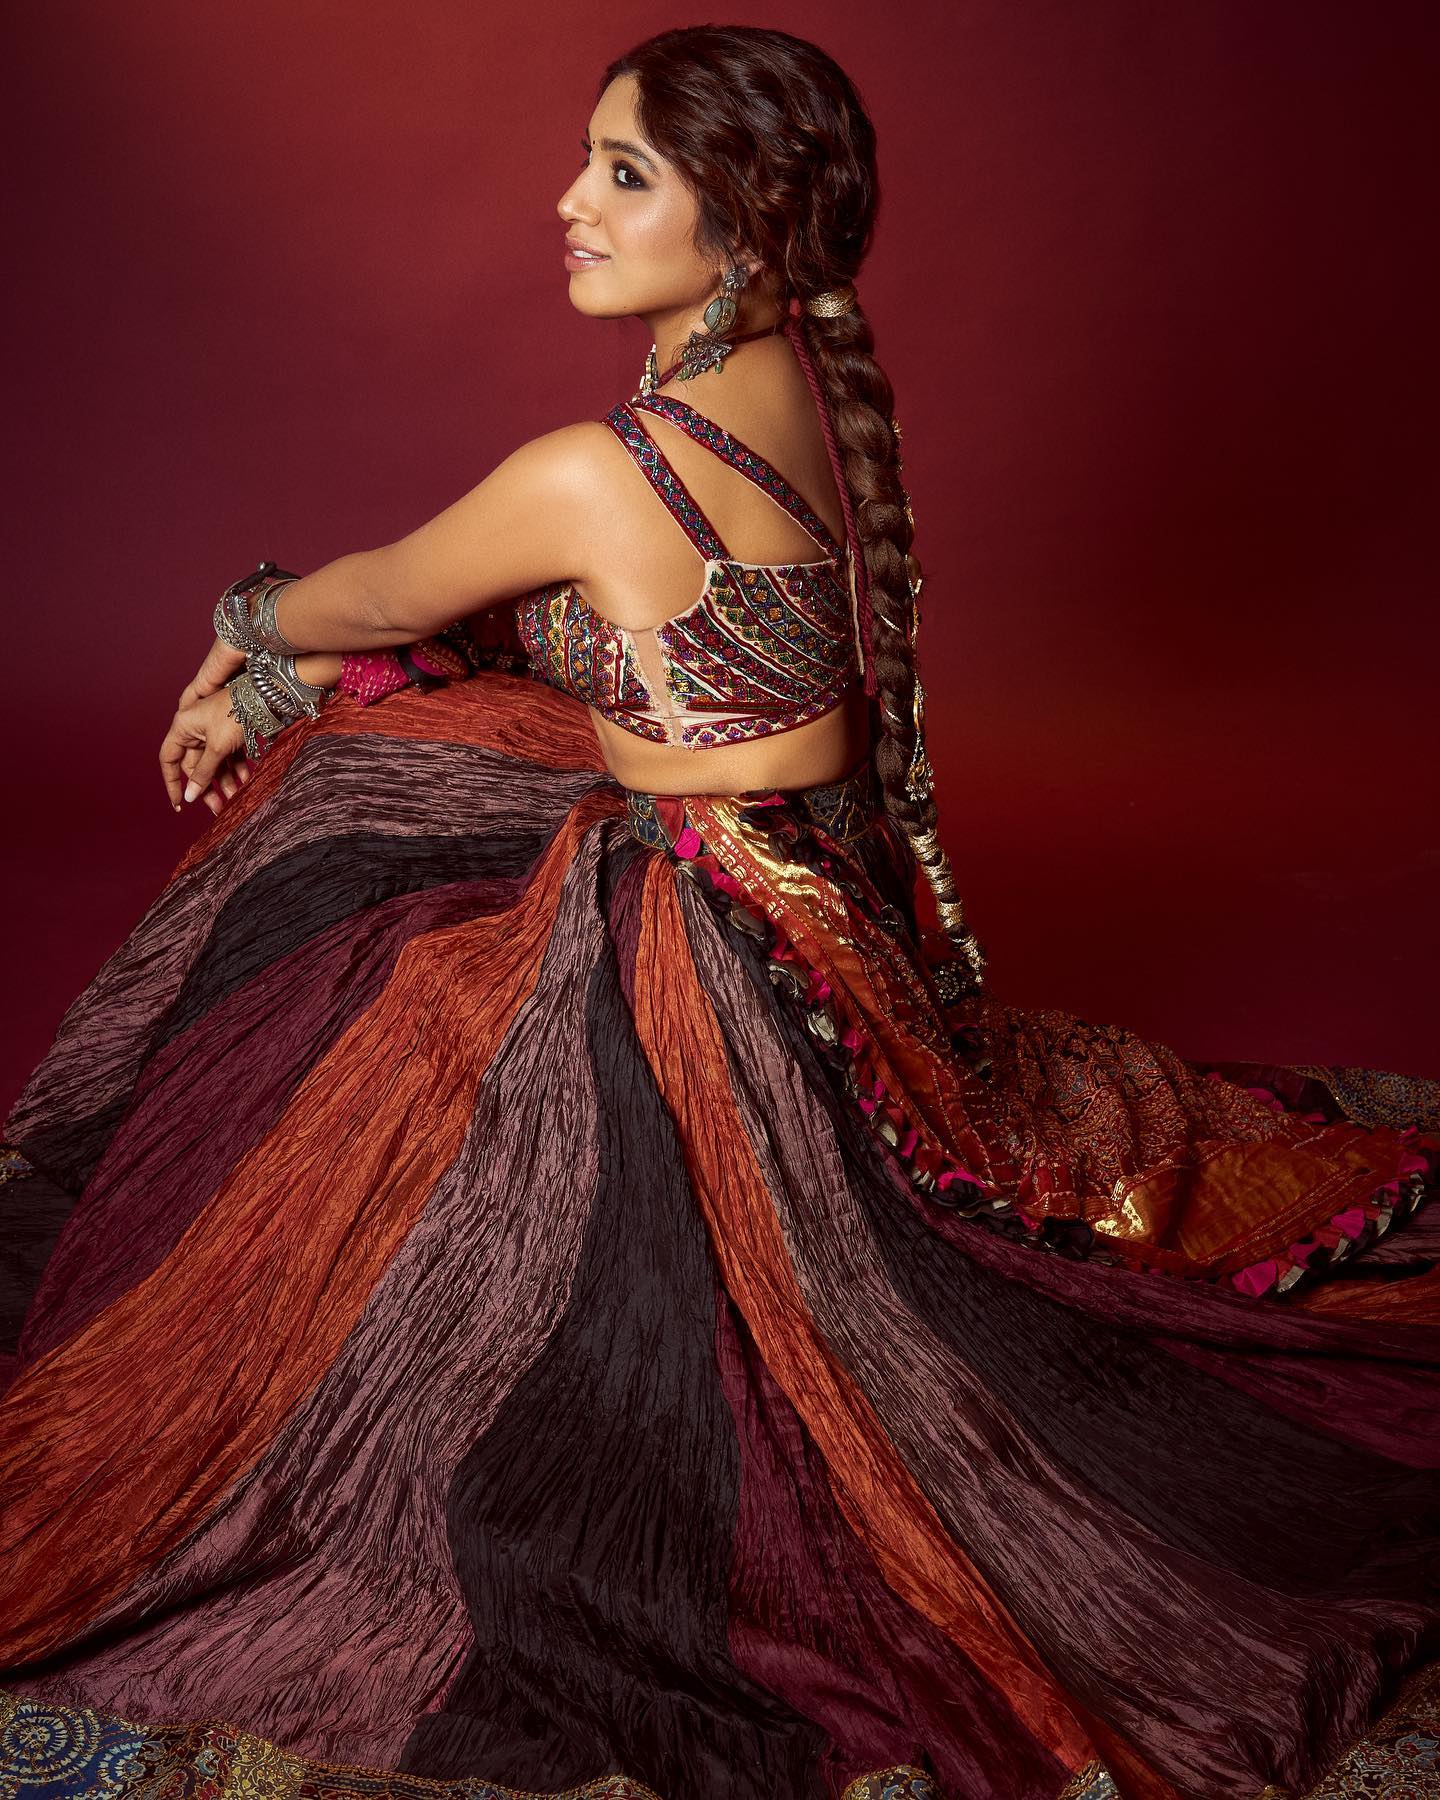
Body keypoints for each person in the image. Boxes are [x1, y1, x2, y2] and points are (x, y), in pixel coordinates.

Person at [0, 23, 1436, 1800]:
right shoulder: (786, 387)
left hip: (710, 940)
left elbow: (365, 593)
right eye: (586, 160)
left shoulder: (597, 472)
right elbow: (542, 638)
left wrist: (243, 640)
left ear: (742, 223)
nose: (568, 202)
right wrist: (311, 678)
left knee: (342, 893)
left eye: (623, 174)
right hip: (810, 901)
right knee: (398, 742)